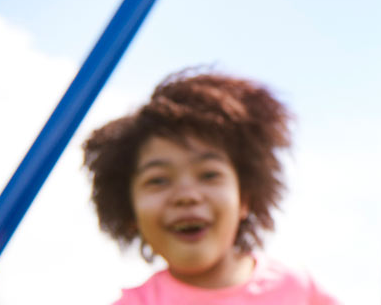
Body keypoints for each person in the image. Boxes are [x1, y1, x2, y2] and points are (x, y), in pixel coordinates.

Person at [83, 69, 338, 305]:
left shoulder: (299, 289)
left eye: (209, 175)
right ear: (130, 212)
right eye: (158, 180)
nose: (186, 196)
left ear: (244, 199)